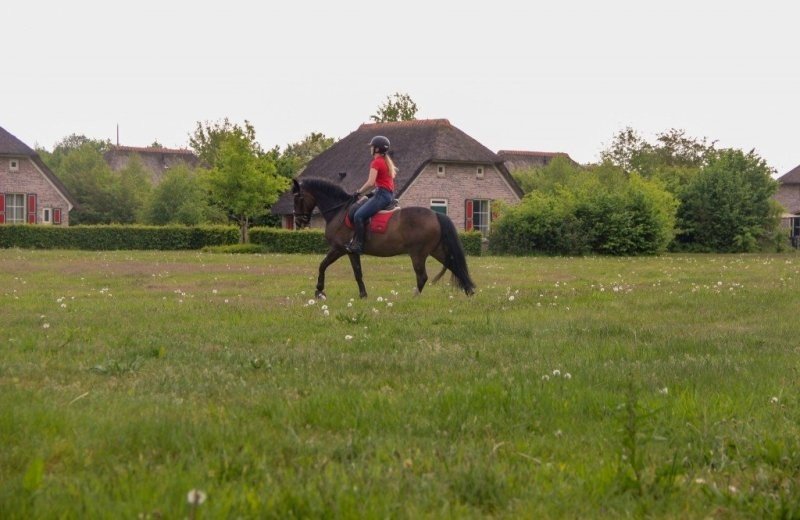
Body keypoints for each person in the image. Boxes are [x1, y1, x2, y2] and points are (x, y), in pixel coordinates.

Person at [345, 135, 397, 254]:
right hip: (385, 194)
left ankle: (359, 245)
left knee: (358, 215)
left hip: (381, 195)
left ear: (377, 149)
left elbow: (371, 182)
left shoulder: (376, 162)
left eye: (372, 147)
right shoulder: (385, 161)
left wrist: (359, 191)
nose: (371, 149)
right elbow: (381, 184)